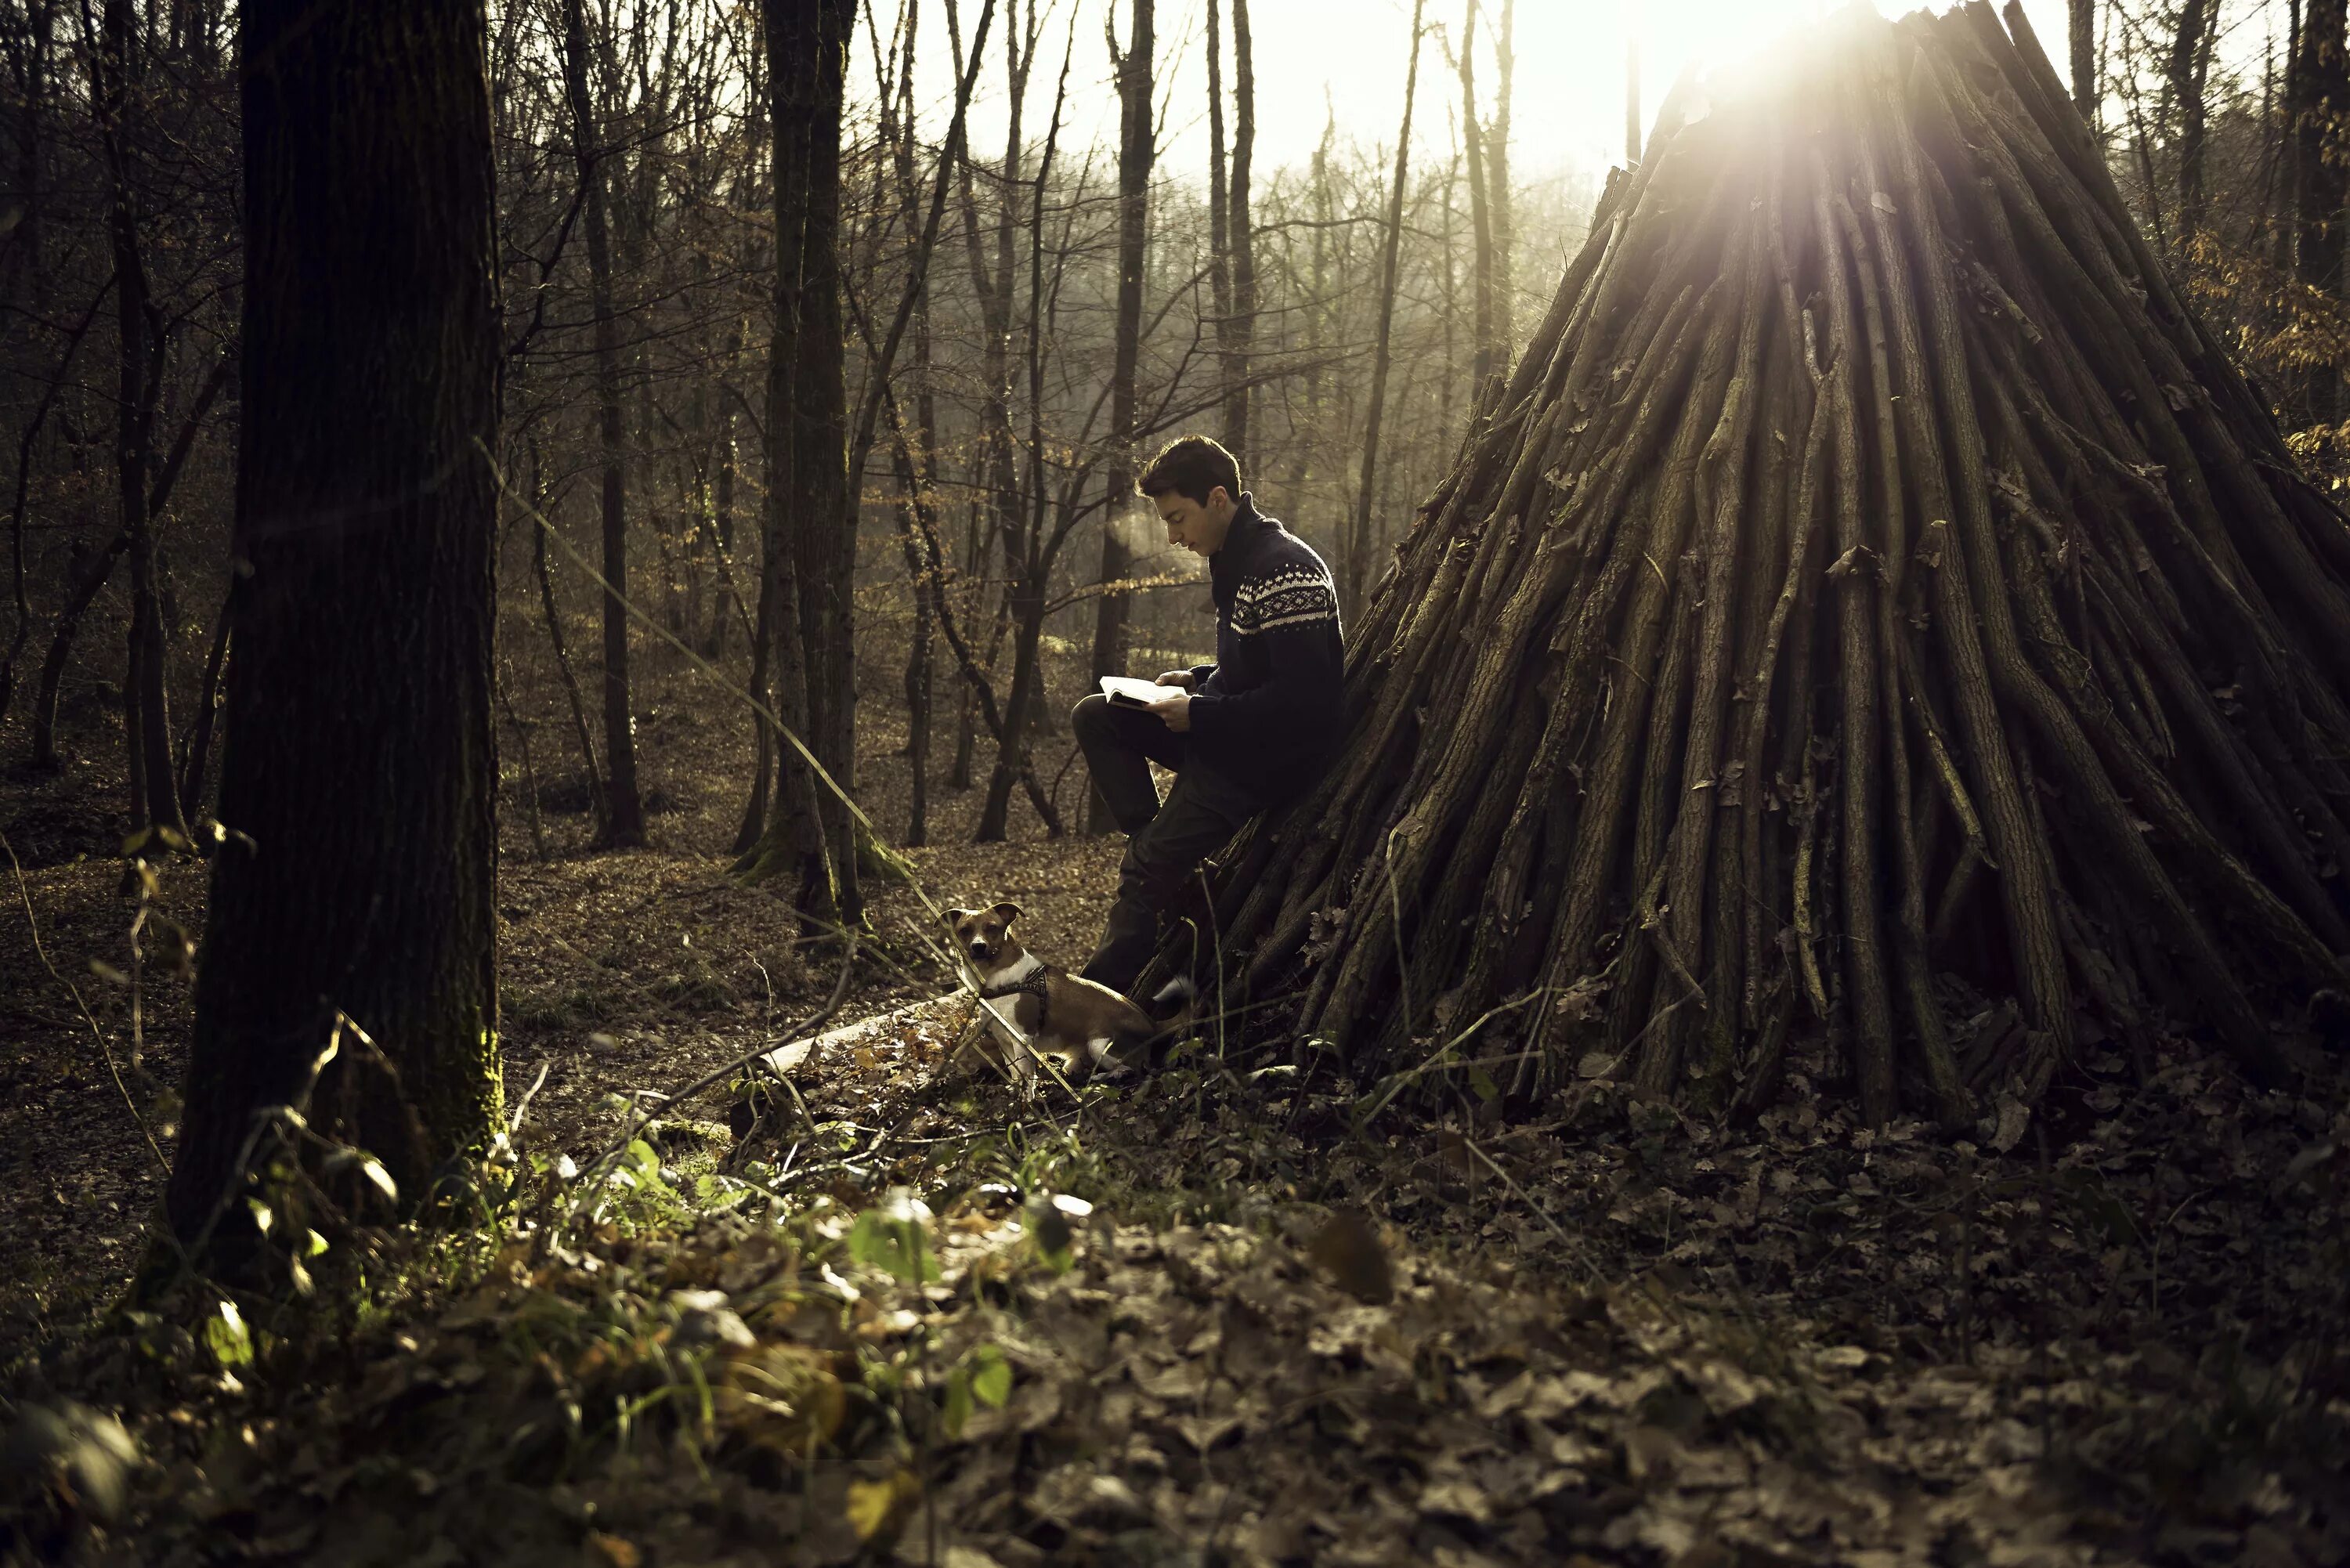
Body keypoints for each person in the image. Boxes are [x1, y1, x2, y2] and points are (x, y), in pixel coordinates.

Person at [1073, 435, 1343, 994]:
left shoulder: (1282, 569)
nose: (1173, 536)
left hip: (1262, 762)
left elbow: (1306, 704)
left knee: (1143, 870)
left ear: (1218, 499)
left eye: (1178, 518)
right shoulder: (1238, 558)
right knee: (1096, 715)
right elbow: (1258, 665)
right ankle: (1168, 856)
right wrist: (1197, 680)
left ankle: (1094, 1016)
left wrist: (1199, 713)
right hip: (1229, 731)